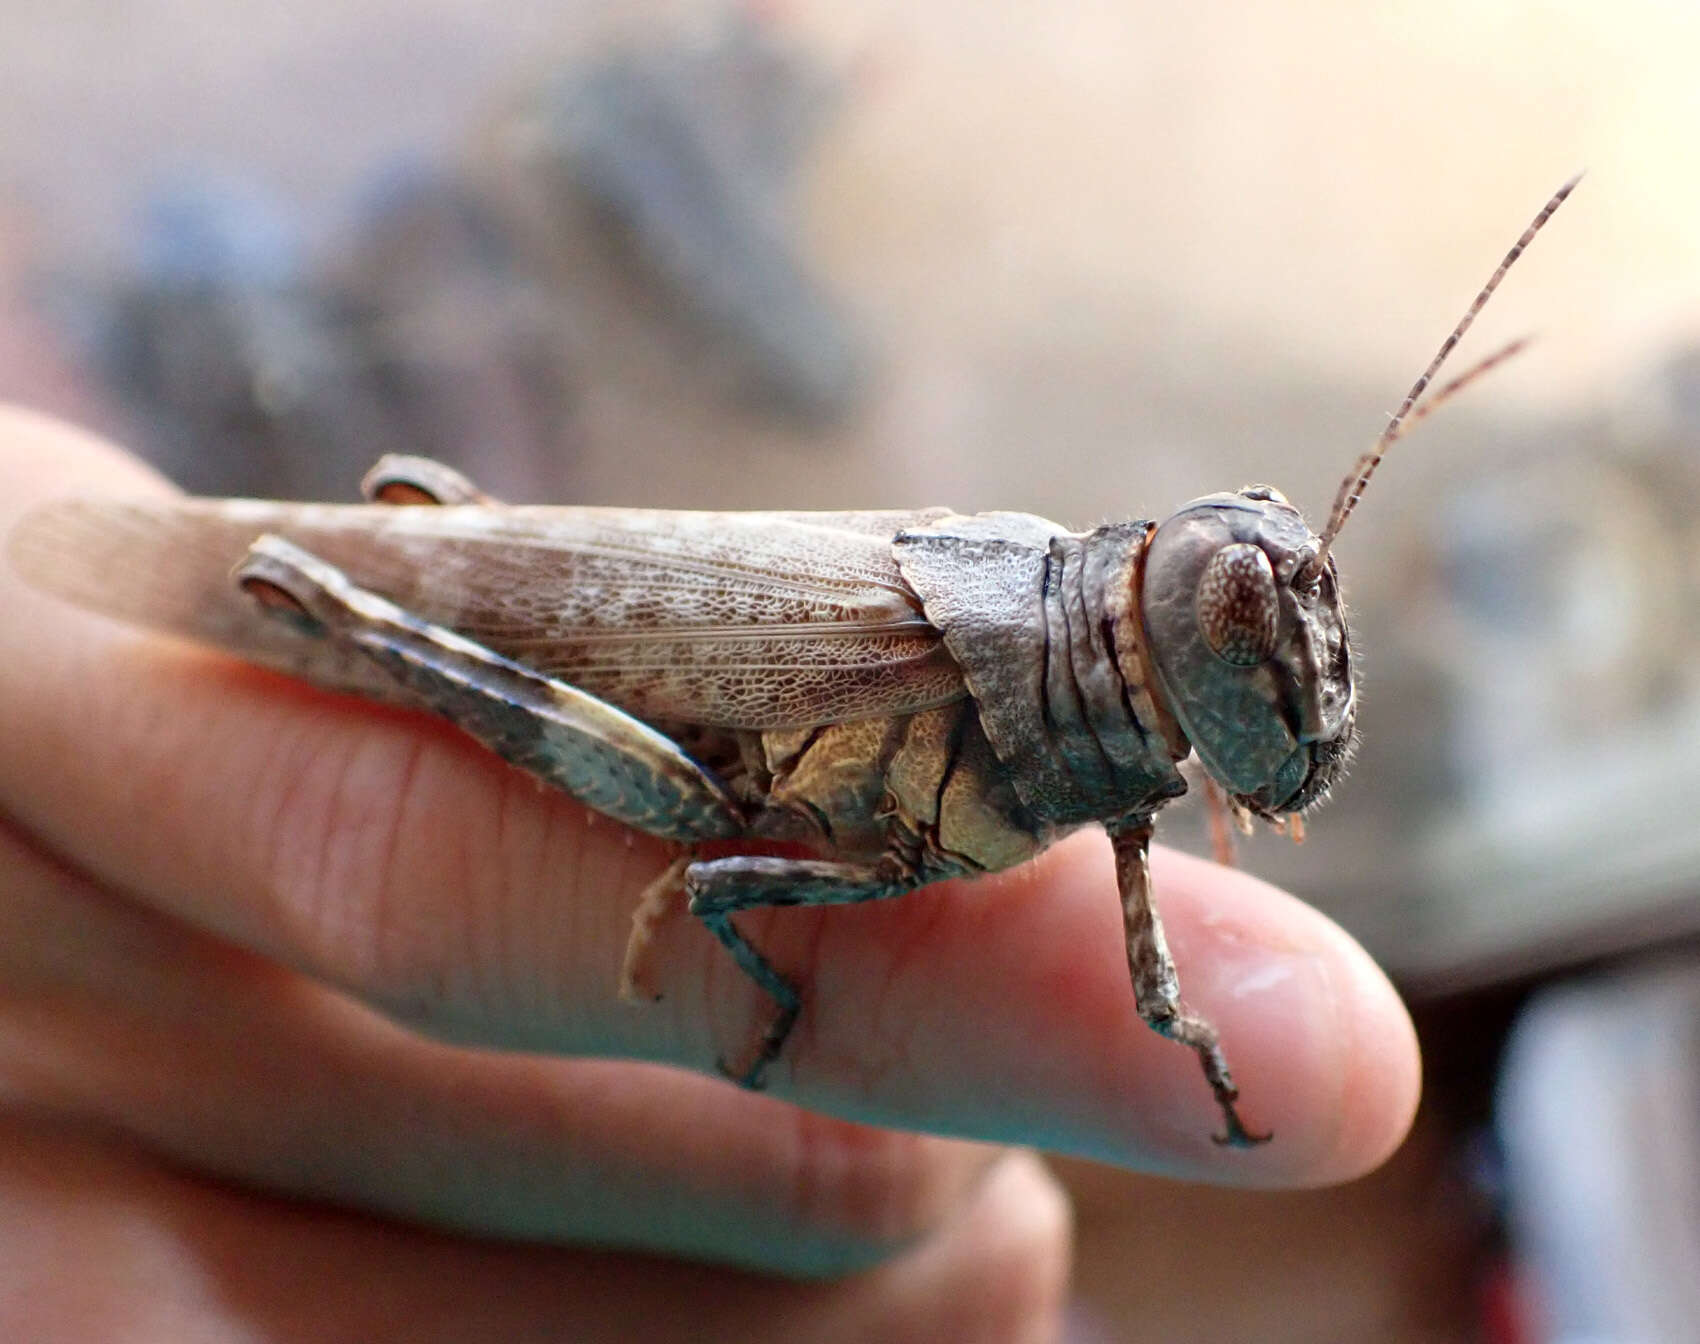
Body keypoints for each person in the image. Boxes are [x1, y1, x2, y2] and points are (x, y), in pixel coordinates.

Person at [0, 407, 1419, 1340]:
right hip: (669, 723)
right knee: (702, 867)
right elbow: (730, 867)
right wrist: (722, 918)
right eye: (1241, 605)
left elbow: (1161, 987)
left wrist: (1193, 1036)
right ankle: (333, 599)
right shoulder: (998, 665)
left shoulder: (1102, 761)